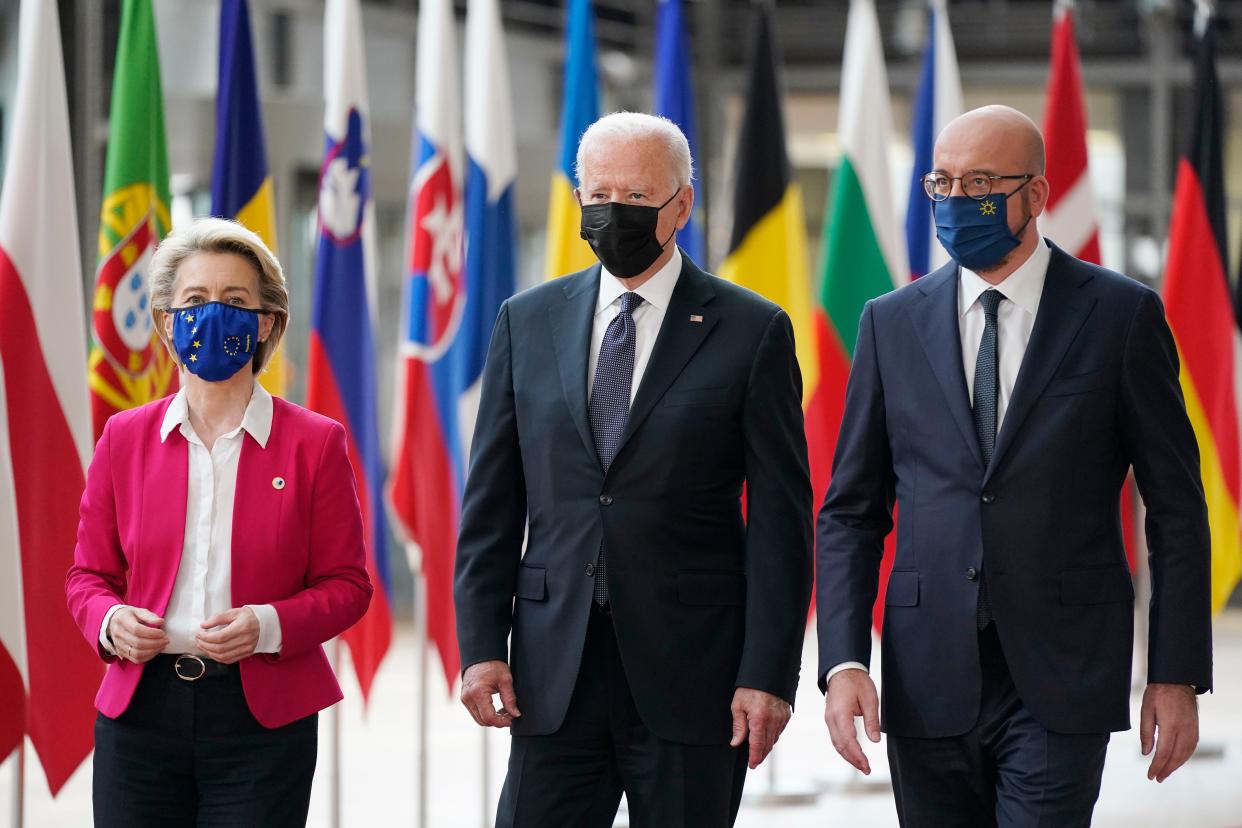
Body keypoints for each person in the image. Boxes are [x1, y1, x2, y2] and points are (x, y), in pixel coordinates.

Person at [816, 105, 1213, 827]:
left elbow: (1178, 508)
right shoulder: (889, 322)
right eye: (943, 183)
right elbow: (850, 510)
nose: (957, 201)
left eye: (980, 183)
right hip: (926, 670)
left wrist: (1175, 670)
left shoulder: (1121, 318)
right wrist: (843, 662)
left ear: (1035, 194)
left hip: (1063, 672)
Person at [454, 111, 812, 827]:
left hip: (695, 674)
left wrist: (767, 675)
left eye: (637, 198)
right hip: (553, 674)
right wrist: (481, 648)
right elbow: (493, 501)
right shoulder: (527, 322)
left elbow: (780, 521)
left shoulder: (752, 329)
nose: (613, 212)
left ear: (682, 204)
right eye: (599, 194)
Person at [66, 217, 373, 827]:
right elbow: (86, 576)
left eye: (235, 302)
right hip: (140, 716)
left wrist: (266, 624)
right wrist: (110, 619)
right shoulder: (124, 438)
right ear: (165, 321)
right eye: (194, 301)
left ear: (266, 322)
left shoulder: (315, 443)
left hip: (261, 722)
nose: (213, 316)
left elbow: (349, 586)